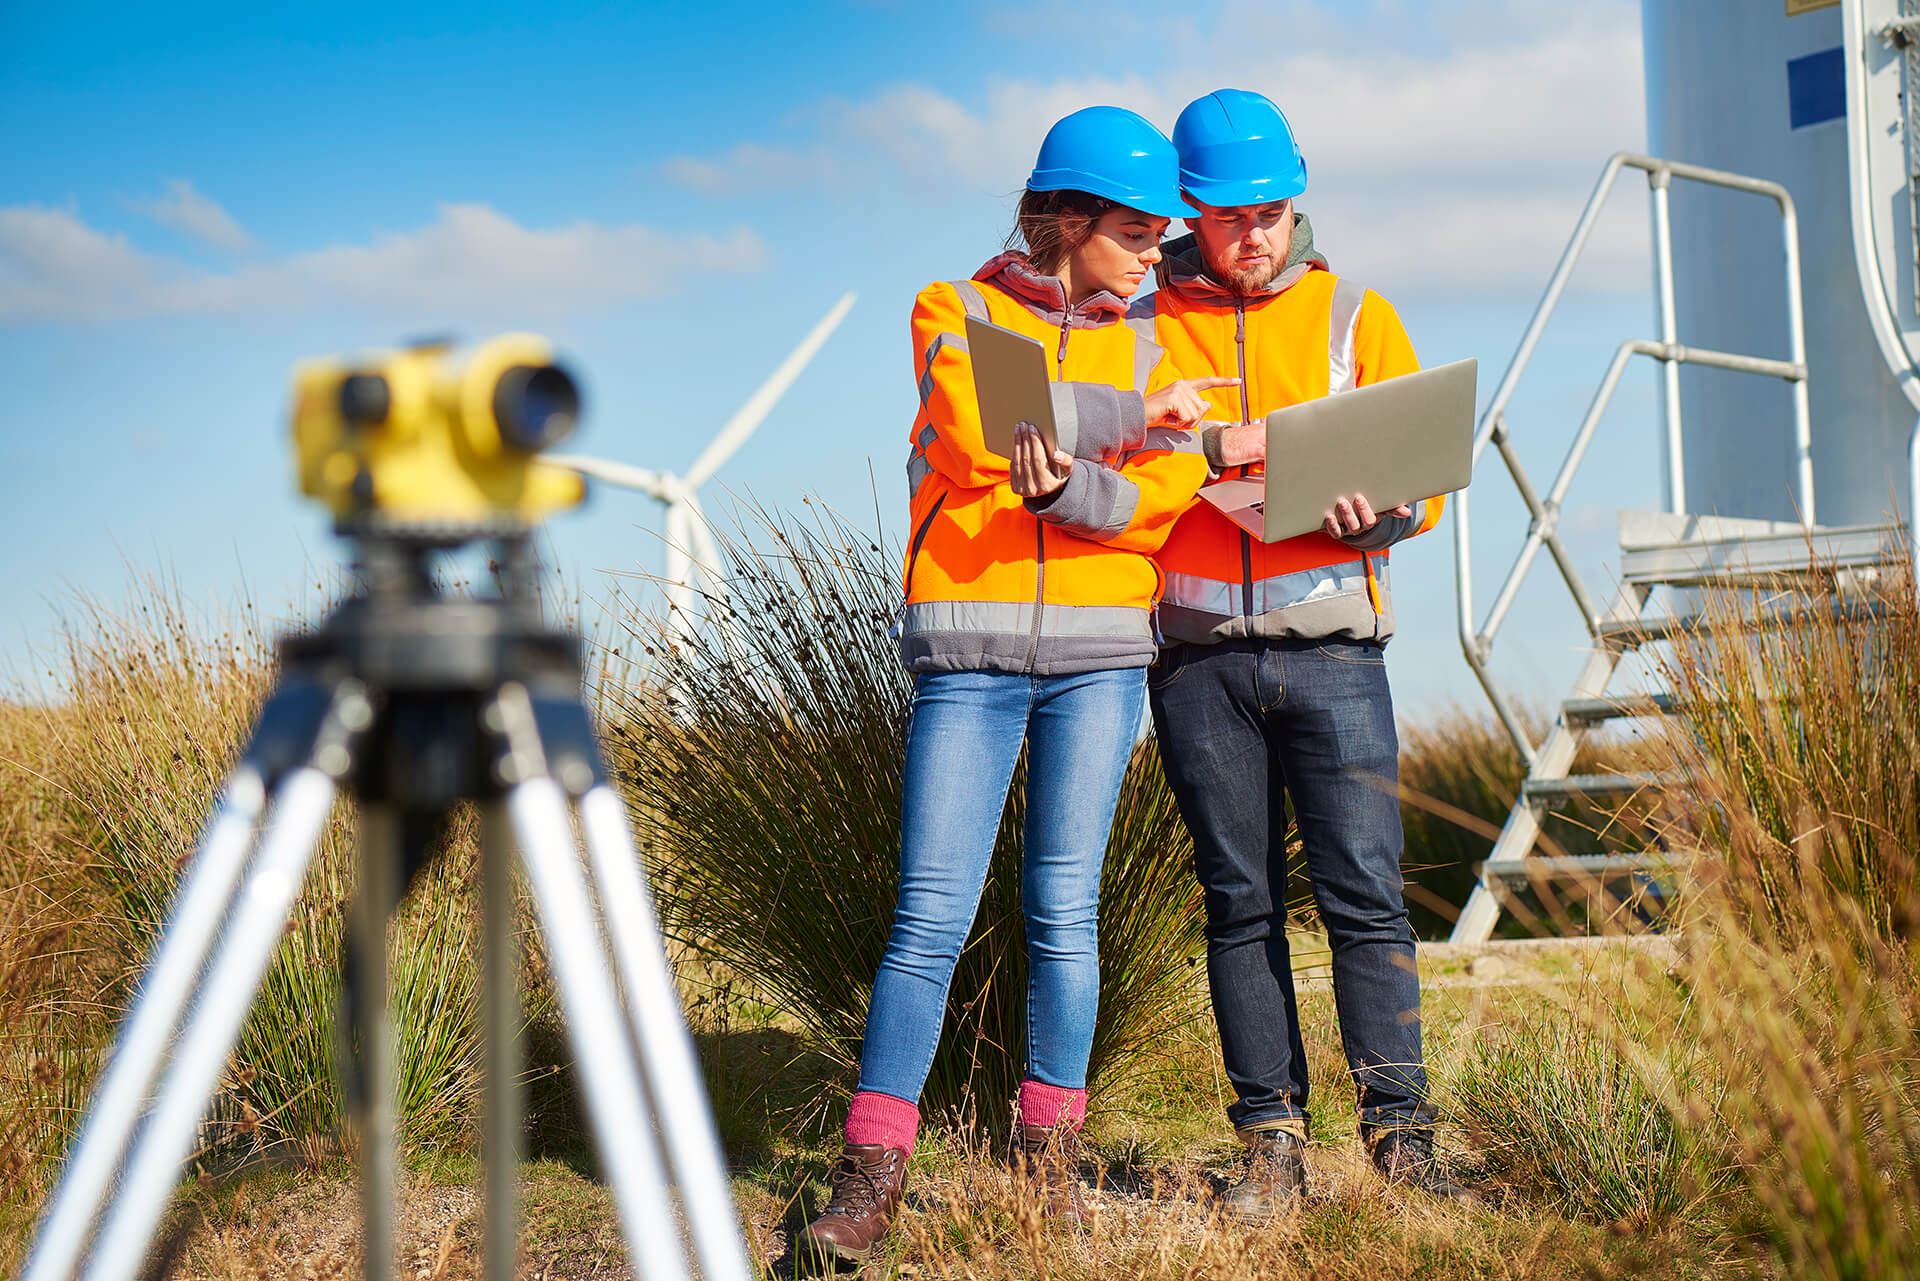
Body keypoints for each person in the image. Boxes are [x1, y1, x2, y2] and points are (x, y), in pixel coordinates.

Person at [796, 106, 1228, 1263]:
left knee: (1062, 917)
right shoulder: (958, 309)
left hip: (1098, 663)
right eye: (1139, 233)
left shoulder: (1158, 340)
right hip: (969, 657)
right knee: (928, 919)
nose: (1155, 256)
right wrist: (1127, 425)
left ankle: (1050, 1180)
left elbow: (1161, 500)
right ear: (1068, 220)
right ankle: (867, 1185)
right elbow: (984, 424)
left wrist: (1062, 496)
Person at [1128, 88, 1468, 1215]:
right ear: (1189, 208)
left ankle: (1400, 1140)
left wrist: (1389, 515)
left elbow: (1417, 479)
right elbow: (1115, 473)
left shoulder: (1357, 313)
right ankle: (1271, 1142)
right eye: (1229, 215)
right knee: (1240, 903)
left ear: (1297, 198)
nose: (1254, 232)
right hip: (1197, 662)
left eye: (1271, 210)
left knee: (1369, 899)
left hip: (1337, 652)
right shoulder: (1135, 323)